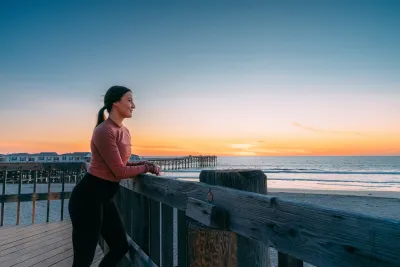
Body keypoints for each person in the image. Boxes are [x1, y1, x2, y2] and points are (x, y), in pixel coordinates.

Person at [68, 85, 160, 267]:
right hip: (87, 200)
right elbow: (119, 171)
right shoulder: (104, 130)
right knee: (83, 259)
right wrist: (145, 167)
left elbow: (122, 164)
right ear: (116, 103)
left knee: (120, 246)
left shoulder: (124, 131)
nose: (133, 105)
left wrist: (146, 166)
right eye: (130, 100)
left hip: (104, 198)